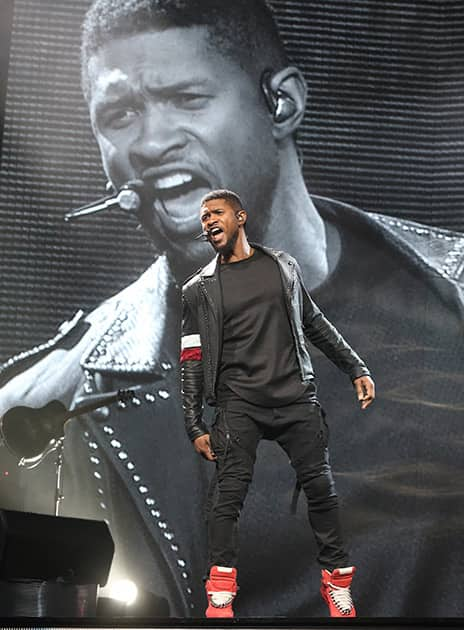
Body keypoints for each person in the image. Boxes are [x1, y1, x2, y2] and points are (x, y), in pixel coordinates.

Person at [0, 0, 463, 617]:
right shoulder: (43, 412)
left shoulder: (445, 305)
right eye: (120, 115)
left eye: (187, 98)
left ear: (282, 104)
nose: (152, 142)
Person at [181, 189, 375, 617]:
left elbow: (315, 322)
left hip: (294, 398)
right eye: (203, 217)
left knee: (322, 490)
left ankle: (337, 583)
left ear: (240, 217)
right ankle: (220, 590)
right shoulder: (198, 290)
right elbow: (191, 359)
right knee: (225, 499)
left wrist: (355, 367)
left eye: (216, 213)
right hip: (238, 405)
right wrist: (194, 423)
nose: (207, 221)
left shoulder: (282, 266)